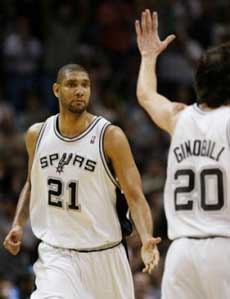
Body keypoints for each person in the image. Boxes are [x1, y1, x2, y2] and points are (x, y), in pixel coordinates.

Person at [3, 63, 161, 299]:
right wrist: (18, 223)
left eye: (85, 85)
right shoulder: (37, 134)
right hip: (57, 255)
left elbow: (135, 194)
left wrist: (147, 237)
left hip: (105, 255)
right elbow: (32, 183)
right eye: (72, 84)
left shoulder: (110, 136)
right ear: (56, 90)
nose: (80, 91)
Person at [135, 9, 230, 299]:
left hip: (180, 255)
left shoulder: (179, 117)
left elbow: (146, 96)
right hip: (223, 249)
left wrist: (148, 57)